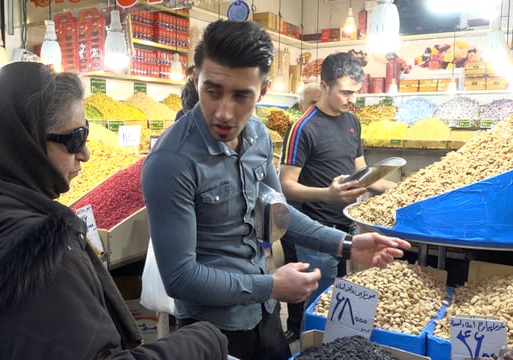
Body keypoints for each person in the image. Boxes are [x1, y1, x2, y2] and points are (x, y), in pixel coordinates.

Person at [0, 62, 228, 359]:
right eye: (75, 139)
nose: (87, 154)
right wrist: (203, 339)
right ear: (26, 142)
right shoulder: (41, 254)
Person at [142, 20, 410, 360]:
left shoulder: (258, 136)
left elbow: (278, 211)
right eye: (212, 90)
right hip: (210, 331)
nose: (224, 112)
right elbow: (180, 277)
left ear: (263, 91)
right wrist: (271, 285)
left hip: (264, 315)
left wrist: (345, 245)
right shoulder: (171, 162)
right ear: (196, 79)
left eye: (242, 95)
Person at [279, 52, 397, 321]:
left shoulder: (352, 122)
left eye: (356, 92)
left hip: (350, 231)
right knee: (318, 312)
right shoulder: (302, 128)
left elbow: (362, 174)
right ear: (324, 86)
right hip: (317, 233)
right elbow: (286, 186)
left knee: (340, 308)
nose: (352, 99)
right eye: (345, 92)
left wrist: (400, 189)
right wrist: (328, 195)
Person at [279, 81, 323, 343]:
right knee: (297, 269)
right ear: (300, 105)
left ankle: (314, 328)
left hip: (326, 219)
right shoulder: (297, 132)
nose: (316, 110)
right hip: (298, 214)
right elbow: (287, 185)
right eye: (311, 104)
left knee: (320, 281)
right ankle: (296, 326)